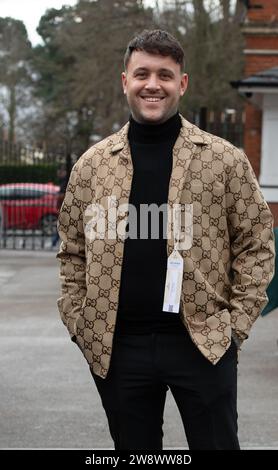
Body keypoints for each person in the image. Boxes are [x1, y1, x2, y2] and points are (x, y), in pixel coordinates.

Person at [57, 30, 275, 450]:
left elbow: (258, 244)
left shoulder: (224, 160)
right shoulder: (92, 165)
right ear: (125, 81)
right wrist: (81, 322)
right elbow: (71, 251)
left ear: (182, 83)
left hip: (204, 341)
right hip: (118, 347)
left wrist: (235, 327)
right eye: (142, 74)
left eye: (164, 74)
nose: (152, 84)